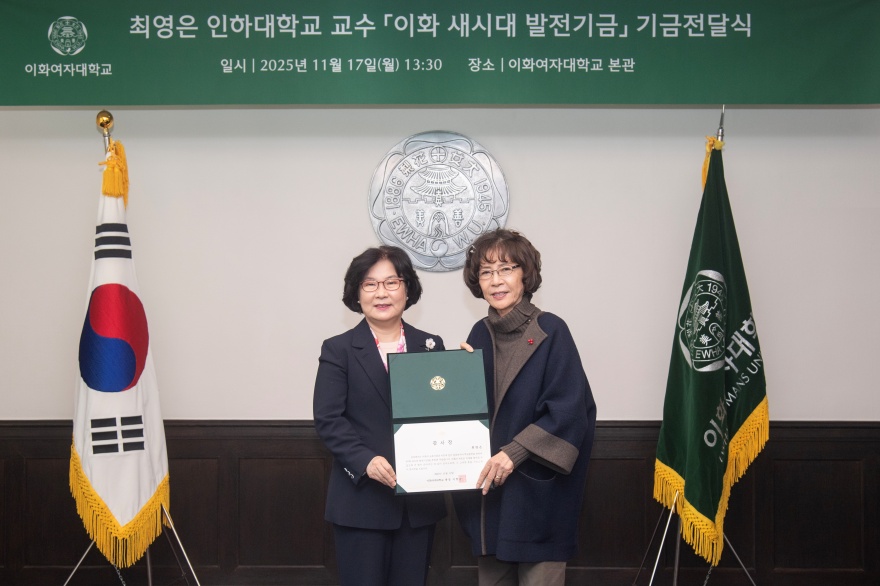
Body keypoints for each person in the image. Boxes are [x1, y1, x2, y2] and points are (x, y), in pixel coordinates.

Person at [453, 229, 597, 586]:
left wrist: (512, 454)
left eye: (506, 268)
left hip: (538, 497)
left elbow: (569, 412)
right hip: (489, 498)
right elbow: (473, 414)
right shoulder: (478, 333)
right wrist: (458, 377)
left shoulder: (551, 330)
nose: (496, 280)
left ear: (525, 274)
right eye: (486, 272)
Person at [313, 246, 446, 586]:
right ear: (356, 294)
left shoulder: (431, 345)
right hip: (360, 503)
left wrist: (464, 372)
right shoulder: (338, 349)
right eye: (370, 284)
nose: (382, 293)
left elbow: (445, 416)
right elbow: (329, 420)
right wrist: (365, 460)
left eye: (391, 282)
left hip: (418, 506)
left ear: (407, 289)